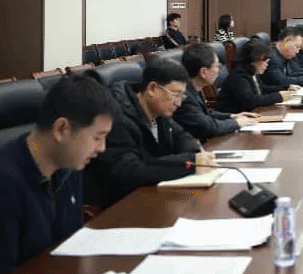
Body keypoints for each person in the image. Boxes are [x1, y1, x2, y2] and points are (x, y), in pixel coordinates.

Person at [0, 74, 119, 274]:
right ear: (61, 129)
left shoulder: (70, 167)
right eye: (98, 137)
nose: (102, 148)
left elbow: (70, 245)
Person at [84, 58, 217, 208]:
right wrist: (190, 162)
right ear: (152, 89)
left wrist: (196, 154)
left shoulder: (159, 112)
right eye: (175, 95)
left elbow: (182, 136)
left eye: (182, 96)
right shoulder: (117, 118)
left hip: (152, 194)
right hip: (121, 205)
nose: (178, 103)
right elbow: (131, 171)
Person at [173, 43, 260, 141]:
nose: (219, 70)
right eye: (217, 66)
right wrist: (237, 123)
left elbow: (205, 113)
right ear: (203, 72)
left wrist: (232, 116)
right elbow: (210, 127)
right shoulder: (184, 97)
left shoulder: (194, 88)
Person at [217, 40, 297, 112]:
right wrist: (278, 96)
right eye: (265, 61)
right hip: (235, 116)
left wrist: (286, 88)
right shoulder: (239, 76)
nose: (266, 65)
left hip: (250, 113)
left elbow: (262, 88)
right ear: (254, 60)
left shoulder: (252, 71)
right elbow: (250, 101)